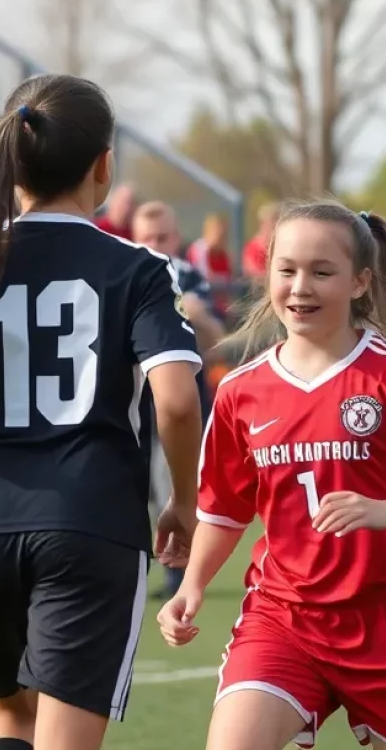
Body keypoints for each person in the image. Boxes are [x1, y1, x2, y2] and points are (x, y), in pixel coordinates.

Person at [0, 74, 205, 750]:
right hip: (91, 520)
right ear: (104, 166)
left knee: (8, 722)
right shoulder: (138, 267)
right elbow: (175, 401)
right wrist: (184, 498)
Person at [158, 200, 386, 750]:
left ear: (361, 282)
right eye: (287, 270)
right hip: (283, 620)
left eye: (322, 273)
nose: (301, 287)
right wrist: (192, 588)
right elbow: (224, 509)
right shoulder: (240, 391)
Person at [130, 199, 225, 599]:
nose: (155, 243)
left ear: (176, 237)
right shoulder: (125, 271)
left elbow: (217, 340)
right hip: (136, 399)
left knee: (173, 482)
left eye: (162, 236)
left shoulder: (188, 275)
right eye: (147, 237)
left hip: (180, 395)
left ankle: (179, 574)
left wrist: (197, 315)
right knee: (141, 487)